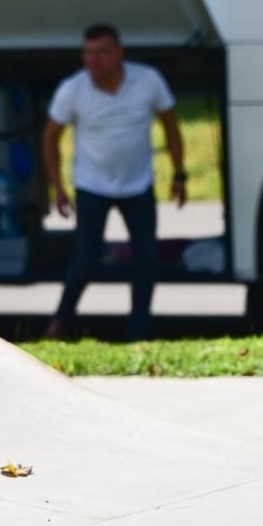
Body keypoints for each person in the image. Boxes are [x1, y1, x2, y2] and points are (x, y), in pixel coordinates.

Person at [42, 24, 186, 342]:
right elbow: (51, 138)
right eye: (88, 53)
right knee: (87, 258)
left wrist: (179, 174)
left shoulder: (148, 81)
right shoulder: (73, 89)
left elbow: (172, 127)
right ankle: (60, 322)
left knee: (146, 259)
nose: (93, 60)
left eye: (102, 53)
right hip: (91, 186)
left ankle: (138, 334)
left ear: (120, 53)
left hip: (138, 186)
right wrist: (59, 188)